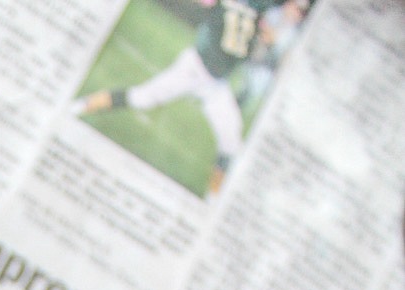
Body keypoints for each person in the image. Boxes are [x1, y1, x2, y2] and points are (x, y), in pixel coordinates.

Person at [75, 0, 306, 195]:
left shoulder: (261, 8)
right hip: (194, 68)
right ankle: (76, 107)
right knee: (141, 98)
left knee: (232, 143)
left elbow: (269, 31)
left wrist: (274, 27)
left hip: (217, 84)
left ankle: (212, 199)